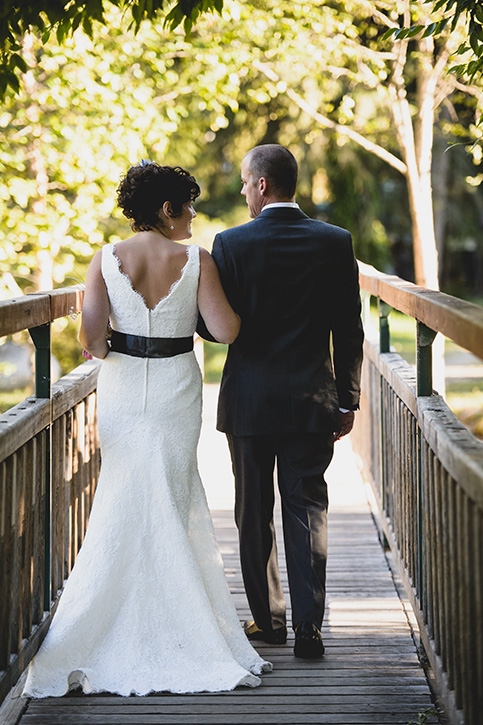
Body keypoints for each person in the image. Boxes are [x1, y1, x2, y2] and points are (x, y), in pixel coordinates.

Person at [23, 161, 271, 699]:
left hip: (122, 388)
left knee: (123, 497)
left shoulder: (106, 259)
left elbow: (92, 336)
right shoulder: (195, 260)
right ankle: (183, 628)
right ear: (167, 209)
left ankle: (97, 628)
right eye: (189, 205)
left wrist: (113, 342)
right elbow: (226, 330)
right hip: (175, 391)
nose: (193, 217)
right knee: (171, 496)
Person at [198, 144, 364, 659]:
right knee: (307, 509)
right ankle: (310, 629)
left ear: (262, 185)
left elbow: (213, 325)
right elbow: (349, 328)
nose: (245, 191)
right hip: (313, 401)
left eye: (247, 183)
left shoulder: (230, 244)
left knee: (253, 513)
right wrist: (347, 400)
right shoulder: (335, 241)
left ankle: (270, 623)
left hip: (248, 403)